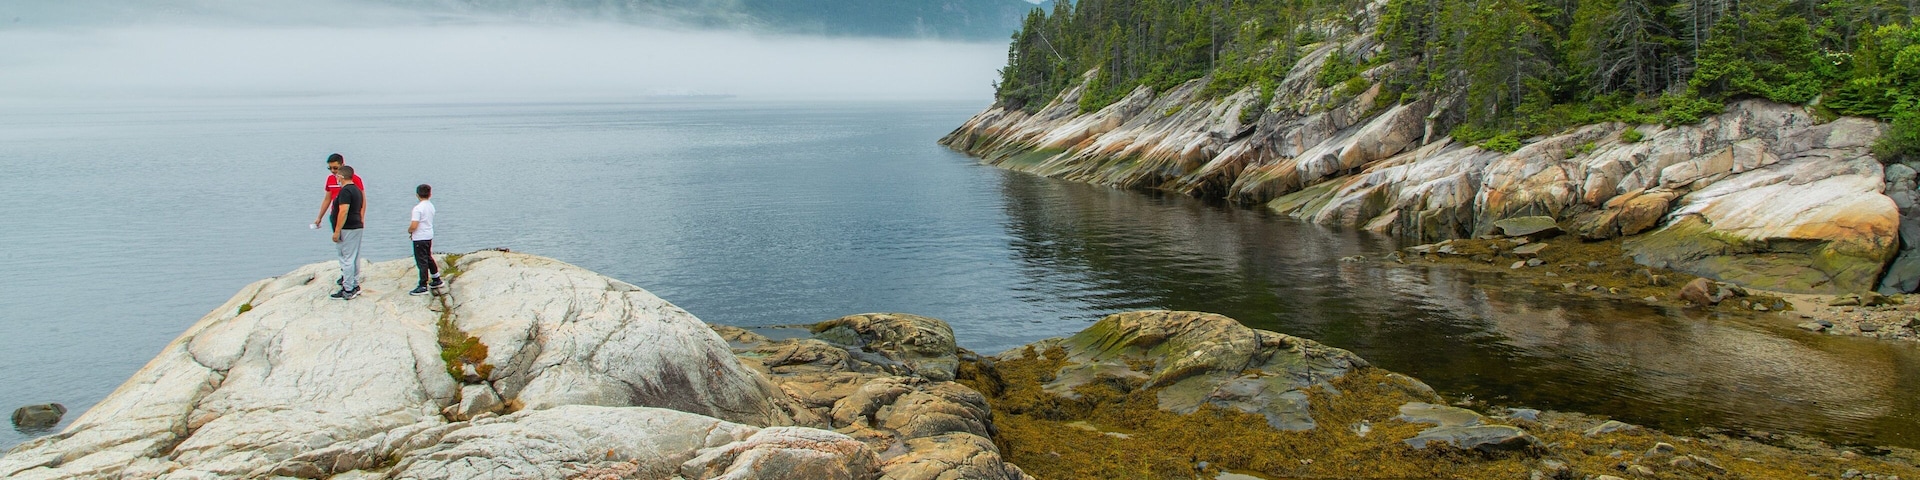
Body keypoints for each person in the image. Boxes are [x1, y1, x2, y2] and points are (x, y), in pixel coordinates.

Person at [330, 165, 366, 300]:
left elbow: (343, 211)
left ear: (342, 177)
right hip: (357, 226)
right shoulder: (356, 190)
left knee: (346, 258)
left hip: (348, 228)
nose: (336, 178)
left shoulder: (345, 191)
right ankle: (355, 284)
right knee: (354, 257)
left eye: (337, 176)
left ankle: (348, 288)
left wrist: (337, 230)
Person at [311, 153, 365, 230]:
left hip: (351, 216)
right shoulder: (330, 179)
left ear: (342, 165)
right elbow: (327, 199)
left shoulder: (355, 179)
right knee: (338, 239)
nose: (333, 171)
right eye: (330, 168)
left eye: (335, 168)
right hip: (335, 214)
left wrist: (361, 217)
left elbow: (362, 199)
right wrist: (319, 217)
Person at [408, 184, 442, 296]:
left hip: (419, 237)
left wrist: (410, 231)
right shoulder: (430, 206)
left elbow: (414, 225)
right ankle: (436, 278)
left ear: (417, 195)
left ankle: (423, 285)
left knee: (421, 261)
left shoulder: (418, 208)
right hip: (428, 235)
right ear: (430, 194)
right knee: (428, 257)